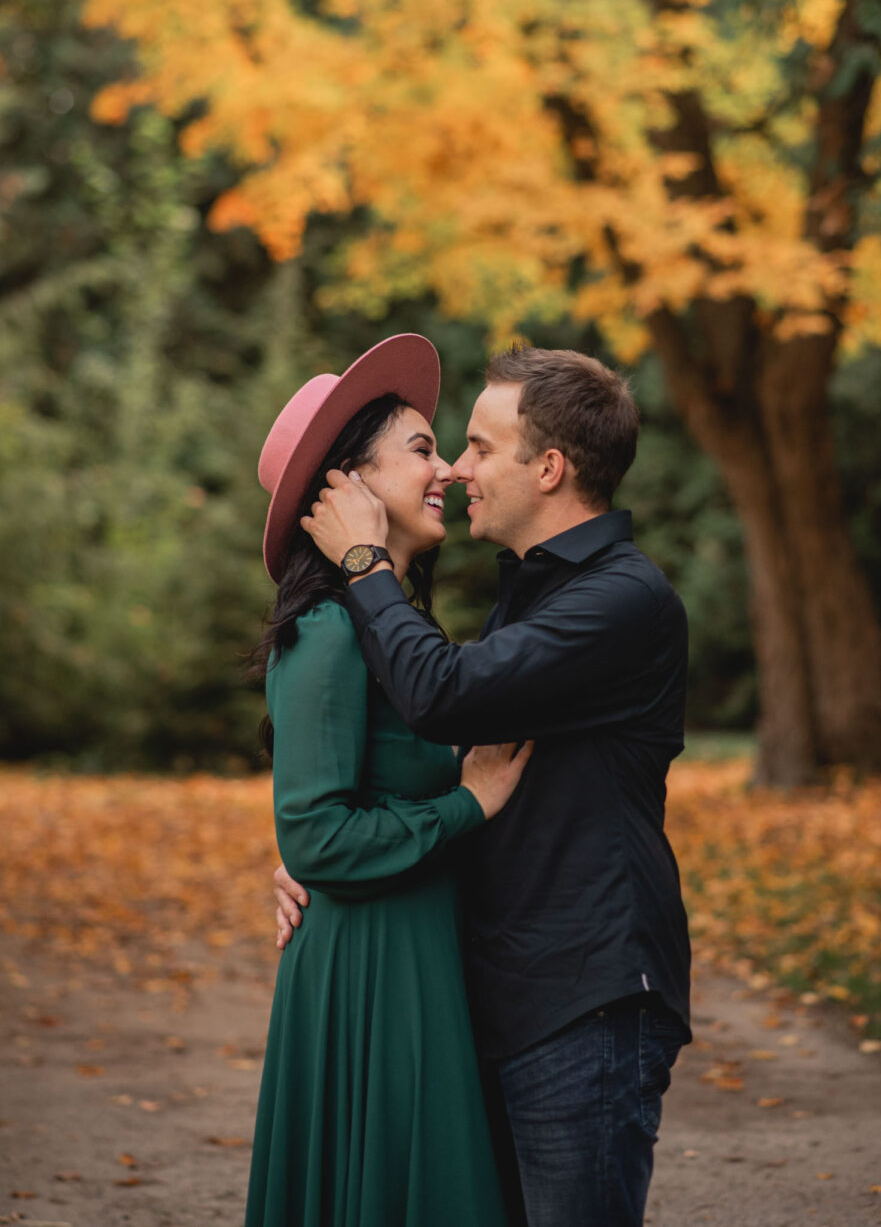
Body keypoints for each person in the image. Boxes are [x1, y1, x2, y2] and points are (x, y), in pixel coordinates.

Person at [277, 345, 692, 1227]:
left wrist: (365, 563)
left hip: (582, 998)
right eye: (444, 447)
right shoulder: (535, 594)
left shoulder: (619, 598)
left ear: (549, 468)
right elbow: (435, 766)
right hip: (500, 992)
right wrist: (328, 853)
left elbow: (446, 697)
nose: (459, 469)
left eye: (477, 446)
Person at [244, 334, 531, 1227]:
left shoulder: (393, 626)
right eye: (421, 450)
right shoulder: (327, 629)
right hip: (370, 969)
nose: (446, 469)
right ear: (351, 484)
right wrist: (467, 803)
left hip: (417, 948)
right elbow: (317, 837)